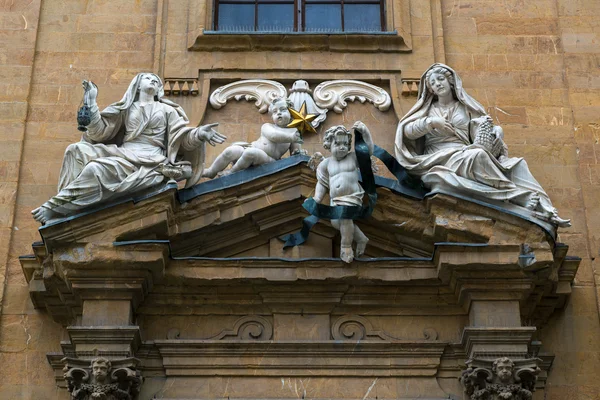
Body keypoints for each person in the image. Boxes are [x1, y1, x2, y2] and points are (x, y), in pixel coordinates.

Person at [32, 73, 226, 224]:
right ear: (138, 85)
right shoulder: (126, 109)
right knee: (75, 151)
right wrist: (91, 102)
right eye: (147, 78)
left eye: (156, 80)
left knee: (95, 169)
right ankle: (65, 209)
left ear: (159, 89)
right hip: (124, 153)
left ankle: (56, 207)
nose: (152, 81)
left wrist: (200, 134)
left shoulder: (167, 110)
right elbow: (99, 132)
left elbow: (181, 138)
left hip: (151, 158)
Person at [395, 63, 570, 227]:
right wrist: (431, 122)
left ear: (450, 81)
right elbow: (408, 131)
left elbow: (479, 128)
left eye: (440, 79)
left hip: (463, 150)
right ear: (430, 89)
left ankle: (545, 207)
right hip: (438, 156)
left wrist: (497, 131)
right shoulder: (428, 110)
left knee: (518, 165)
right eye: (433, 83)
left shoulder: (465, 107)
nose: (437, 84)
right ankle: (518, 196)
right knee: (477, 155)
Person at [313, 122, 372, 263]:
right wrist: (317, 198)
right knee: (335, 222)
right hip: (336, 199)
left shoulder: (352, 158)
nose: (342, 147)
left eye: (345, 144)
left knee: (344, 216)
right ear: (328, 144)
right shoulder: (325, 164)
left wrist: (365, 132)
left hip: (352, 197)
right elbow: (322, 183)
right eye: (337, 143)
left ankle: (345, 247)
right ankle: (361, 238)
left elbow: (368, 151)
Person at [202, 97, 304, 179]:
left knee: (250, 153)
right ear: (272, 117)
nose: (279, 113)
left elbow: (295, 153)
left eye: (283, 110)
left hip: (268, 159)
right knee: (230, 151)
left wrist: (297, 152)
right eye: (275, 111)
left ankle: (231, 173)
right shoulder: (268, 126)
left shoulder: (294, 132)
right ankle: (211, 171)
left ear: (291, 113)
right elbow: (273, 136)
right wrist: (292, 137)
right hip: (251, 146)